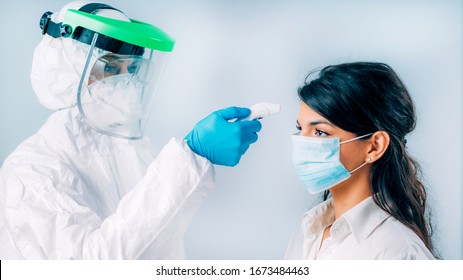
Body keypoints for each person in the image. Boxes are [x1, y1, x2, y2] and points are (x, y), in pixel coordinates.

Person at [0, 1, 262, 259]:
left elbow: (159, 243)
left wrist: (193, 164)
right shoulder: (31, 172)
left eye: (133, 69)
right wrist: (190, 157)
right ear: (71, 71)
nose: (128, 81)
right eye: (111, 68)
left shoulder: (133, 150)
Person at [285, 62, 435, 260]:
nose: (303, 143)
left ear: (375, 146)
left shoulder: (399, 253)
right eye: (300, 129)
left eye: (320, 132)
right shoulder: (309, 233)